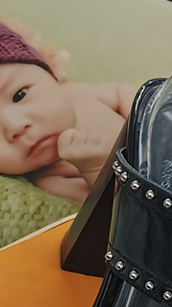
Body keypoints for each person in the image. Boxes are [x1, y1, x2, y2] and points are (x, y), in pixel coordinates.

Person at [0, 23, 136, 203]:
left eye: (20, 95)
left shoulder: (78, 93)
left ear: (50, 75)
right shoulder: (51, 180)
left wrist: (145, 117)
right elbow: (117, 206)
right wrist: (95, 170)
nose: (15, 125)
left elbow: (121, 92)